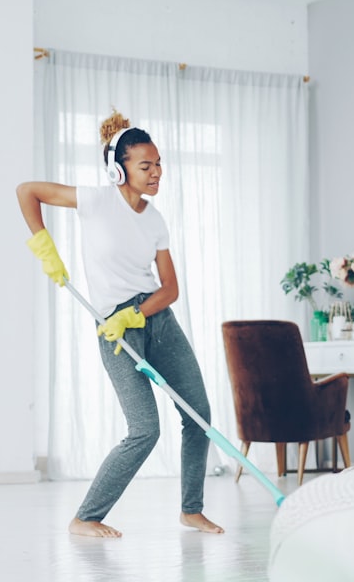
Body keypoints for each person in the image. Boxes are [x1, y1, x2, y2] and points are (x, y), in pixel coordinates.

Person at [16, 110, 224, 538]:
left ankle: (191, 510)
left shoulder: (155, 219)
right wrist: (44, 245)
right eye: (146, 166)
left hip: (156, 319)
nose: (157, 173)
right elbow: (27, 191)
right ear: (119, 169)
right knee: (145, 429)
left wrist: (140, 313)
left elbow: (170, 288)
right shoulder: (96, 201)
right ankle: (86, 517)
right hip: (115, 329)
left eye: (159, 164)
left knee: (198, 415)